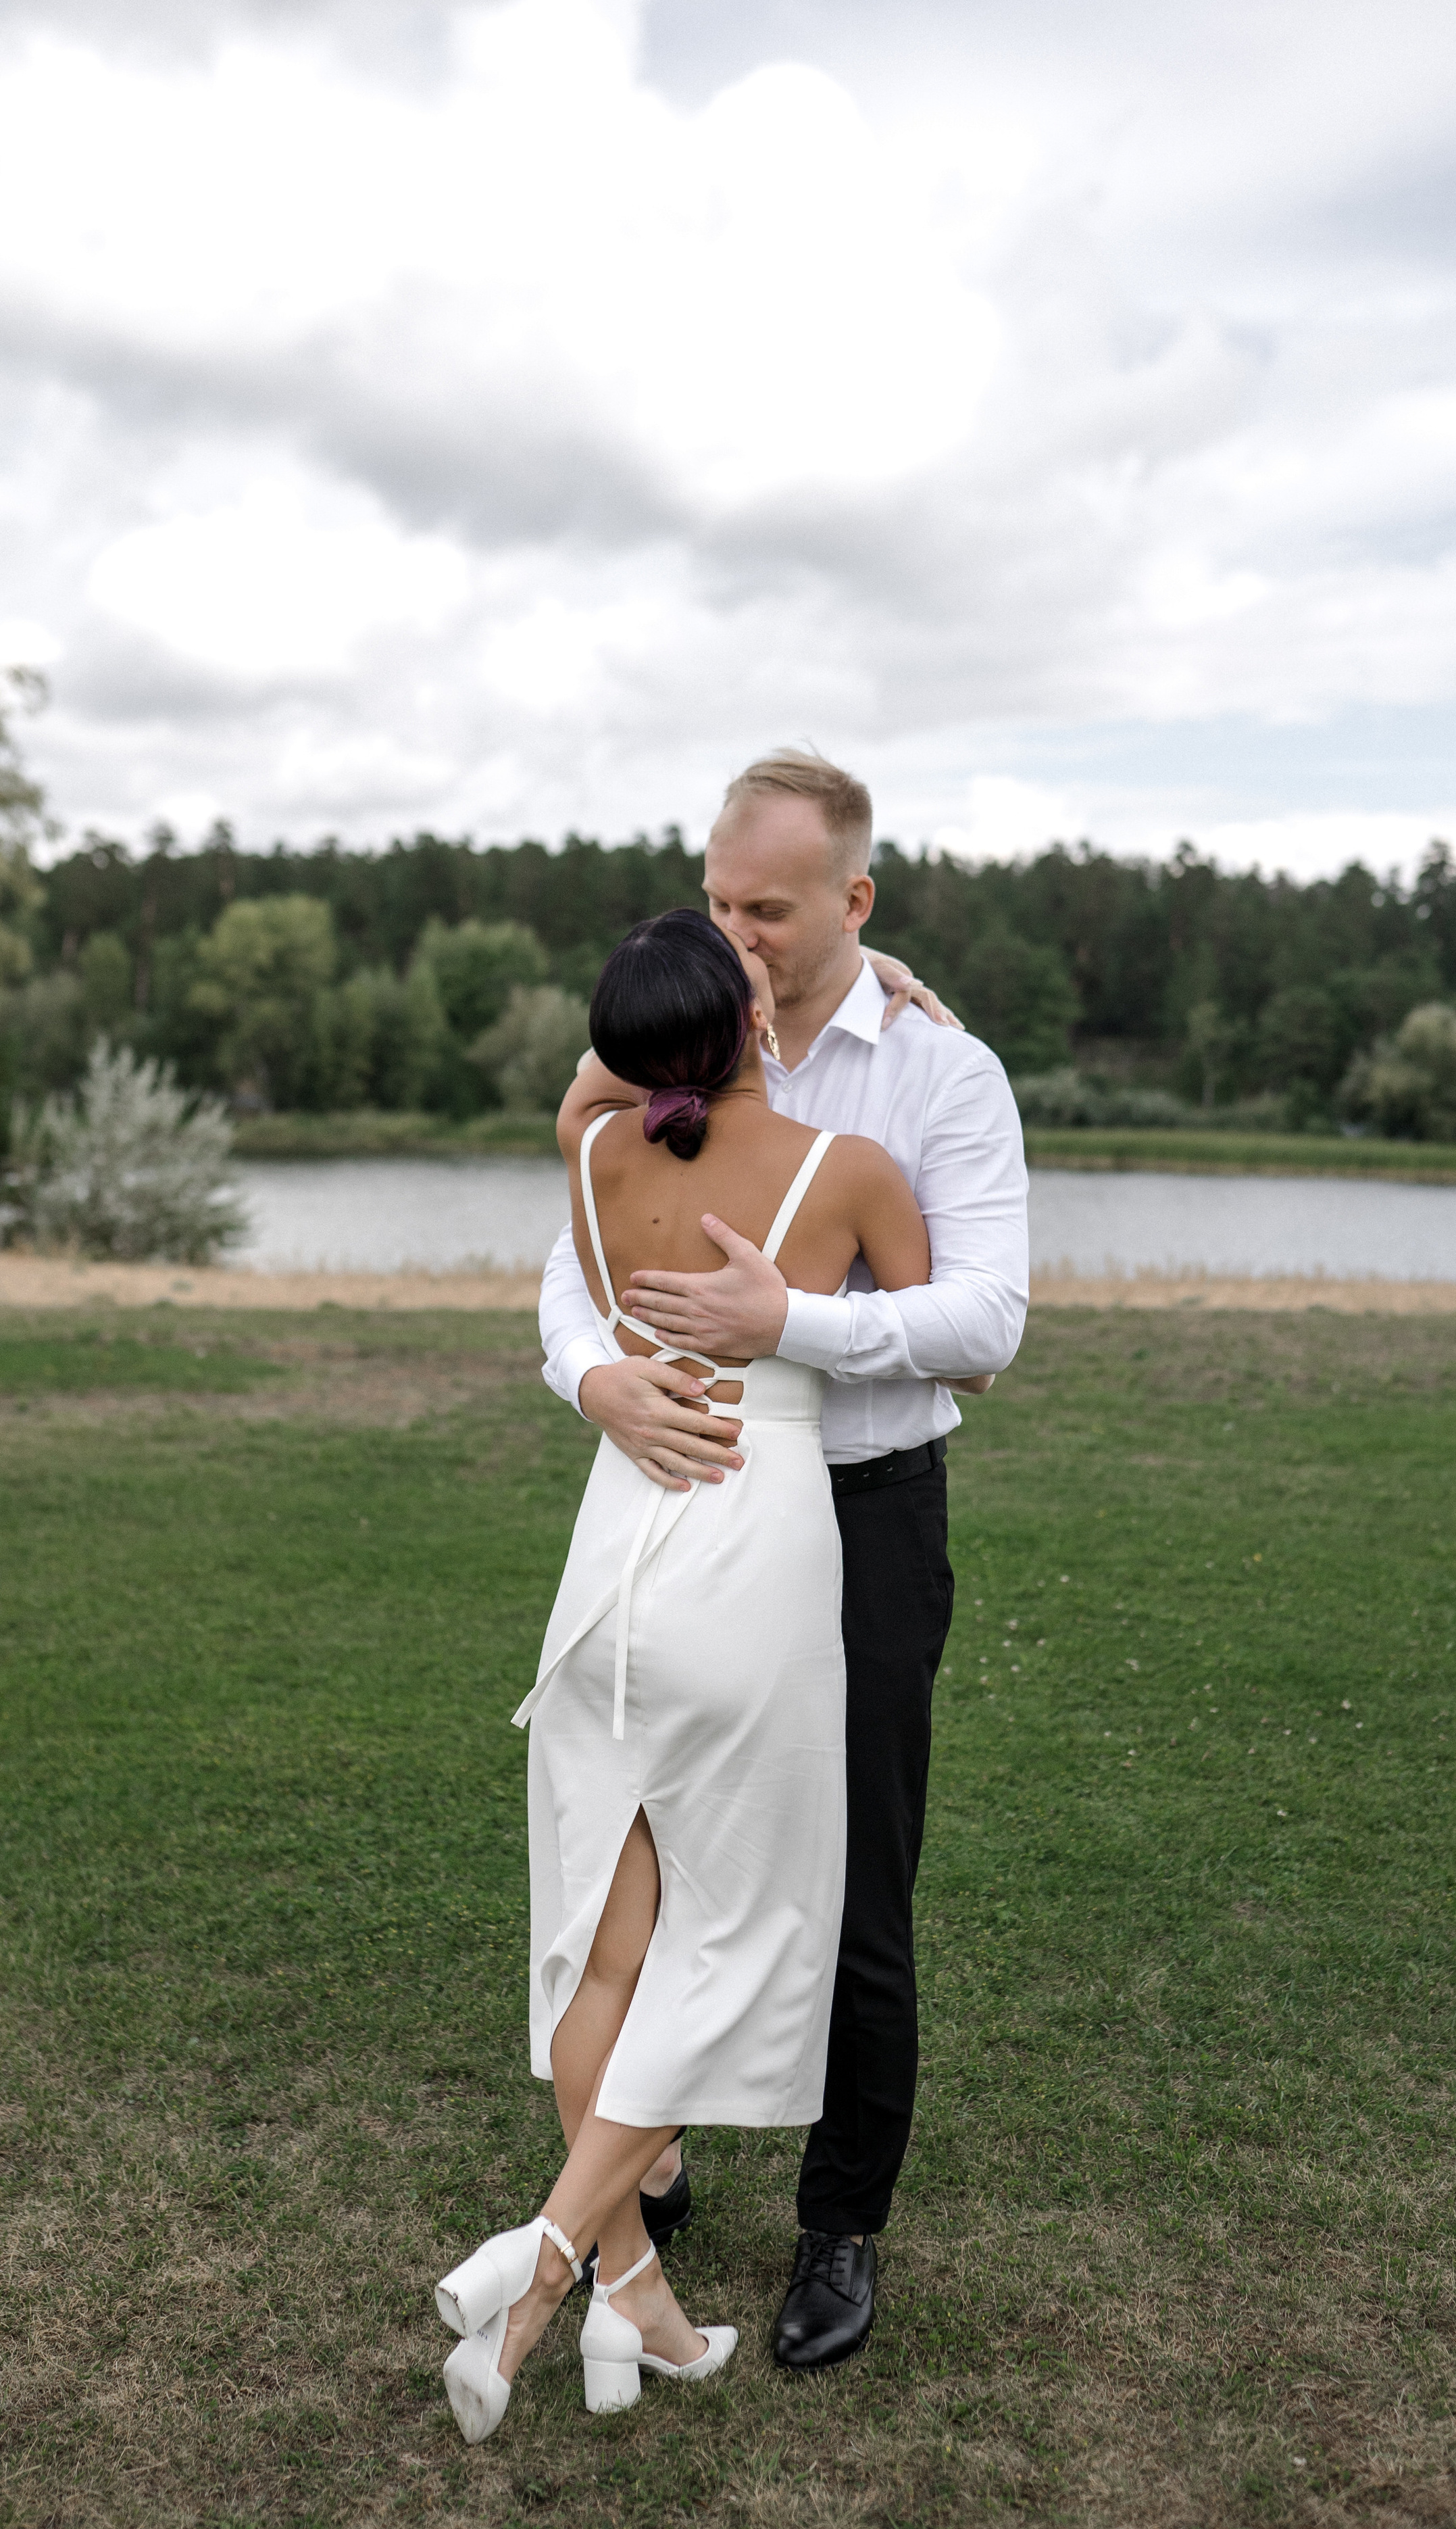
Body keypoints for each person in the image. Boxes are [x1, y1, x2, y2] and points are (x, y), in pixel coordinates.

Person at [538, 750, 1028, 2370]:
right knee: (648, 1859)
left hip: (864, 1517)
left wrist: (787, 1324)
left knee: (852, 1885)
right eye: (718, 897)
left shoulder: (942, 1074)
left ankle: (840, 2222)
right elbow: (574, 1254)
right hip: (674, 1492)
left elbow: (982, 1323)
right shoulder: (664, 1033)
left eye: (767, 907)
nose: (733, 929)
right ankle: (646, 2159)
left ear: (853, 903)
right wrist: (595, 1378)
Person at [434, 906, 936, 2444]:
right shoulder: (845, 1171)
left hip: (613, 1555)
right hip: (751, 1544)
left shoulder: (592, 1162)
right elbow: (948, 1348)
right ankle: (547, 2261)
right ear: (750, 1020)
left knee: (607, 1940)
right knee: (744, 1934)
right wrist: (800, 1310)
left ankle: (633, 2296)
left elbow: (602, 1086)